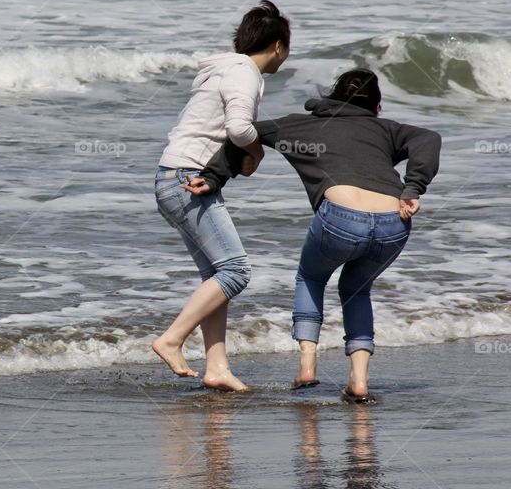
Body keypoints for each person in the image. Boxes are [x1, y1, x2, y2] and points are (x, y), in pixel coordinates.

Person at [185, 69, 441, 403]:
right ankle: (359, 380)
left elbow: (246, 134)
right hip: (395, 221)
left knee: (311, 277)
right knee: (356, 289)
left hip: (341, 217)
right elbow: (428, 138)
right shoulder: (387, 128)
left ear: (332, 97)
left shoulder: (301, 126)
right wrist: (413, 187)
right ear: (376, 107)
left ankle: (307, 364)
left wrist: (214, 177)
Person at [152, 0, 290, 391]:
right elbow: (239, 128)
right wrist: (257, 151)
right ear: (278, 46)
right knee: (236, 271)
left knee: (216, 276)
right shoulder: (244, 72)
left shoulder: (223, 70)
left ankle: (217, 367)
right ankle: (172, 339)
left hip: (171, 177)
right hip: (187, 177)